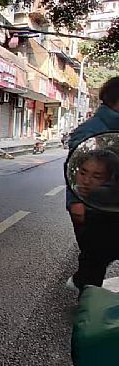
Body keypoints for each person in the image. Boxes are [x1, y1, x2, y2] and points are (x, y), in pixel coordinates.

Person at [66, 77, 119, 291]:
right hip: (94, 209)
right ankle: (86, 297)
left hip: (113, 206)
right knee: (94, 264)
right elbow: (75, 170)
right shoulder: (90, 131)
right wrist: (75, 202)